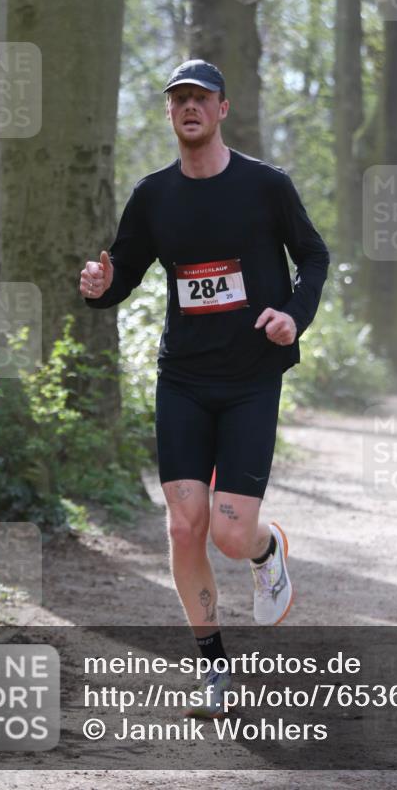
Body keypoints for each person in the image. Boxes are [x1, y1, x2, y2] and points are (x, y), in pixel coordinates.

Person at [81, 59, 329, 717]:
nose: (189, 107)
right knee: (184, 525)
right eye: (178, 99)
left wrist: (292, 316)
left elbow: (313, 255)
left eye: (201, 97)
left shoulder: (265, 186)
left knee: (226, 534)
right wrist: (102, 289)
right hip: (183, 380)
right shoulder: (153, 196)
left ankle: (265, 548)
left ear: (222, 110)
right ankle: (213, 668)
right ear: (169, 114)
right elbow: (124, 271)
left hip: (250, 380)